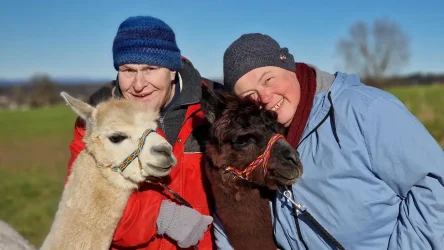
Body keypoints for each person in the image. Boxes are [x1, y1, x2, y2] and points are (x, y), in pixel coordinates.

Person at [213, 33, 444, 249]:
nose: (263, 97)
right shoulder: (260, 146)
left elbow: (434, 186)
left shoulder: (363, 110)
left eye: (268, 79)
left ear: (288, 66)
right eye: (249, 96)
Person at [66, 16, 219, 250]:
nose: (138, 84)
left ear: (171, 70)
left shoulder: (216, 111)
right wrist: (161, 216)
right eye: (128, 70)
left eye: (151, 68)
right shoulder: (99, 122)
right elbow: (86, 201)